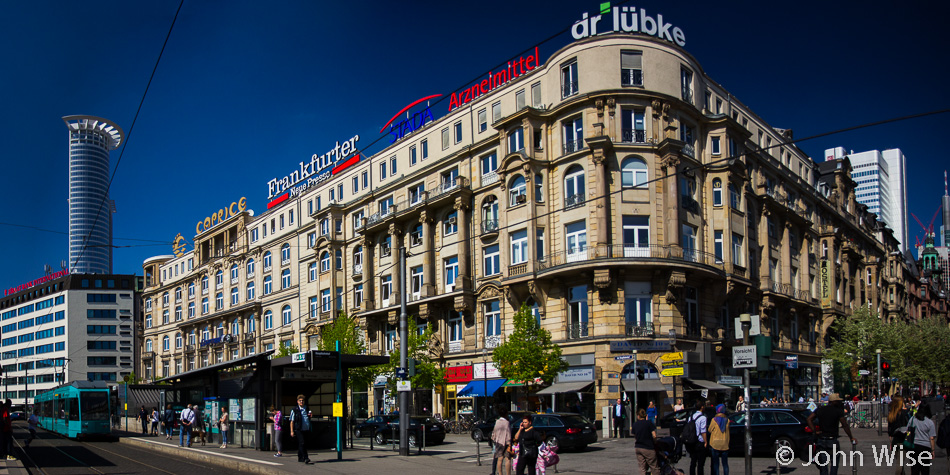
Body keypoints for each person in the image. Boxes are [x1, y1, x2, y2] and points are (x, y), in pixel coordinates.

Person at [806, 393, 856, 475]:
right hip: (832, 440)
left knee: (823, 465)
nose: (840, 403)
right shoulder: (838, 411)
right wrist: (851, 437)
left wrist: (814, 431)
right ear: (834, 402)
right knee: (834, 464)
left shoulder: (820, 409)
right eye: (838, 401)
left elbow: (809, 419)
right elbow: (845, 425)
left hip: (821, 439)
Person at [909, 404, 936, 475]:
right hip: (925, 447)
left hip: (913, 446)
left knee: (914, 470)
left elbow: (908, 430)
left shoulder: (912, 419)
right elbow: (932, 438)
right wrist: (933, 450)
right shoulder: (929, 422)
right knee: (925, 470)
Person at [633, 408, 660, 475]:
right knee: (654, 467)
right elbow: (654, 435)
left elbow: (635, 436)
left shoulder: (635, 424)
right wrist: (655, 442)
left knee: (642, 468)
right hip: (648, 447)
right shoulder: (649, 423)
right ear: (645, 415)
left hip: (638, 447)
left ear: (638, 416)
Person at [886, 396, 909, 475]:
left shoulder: (891, 415)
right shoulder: (904, 413)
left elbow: (890, 432)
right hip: (903, 441)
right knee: (900, 464)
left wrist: (891, 443)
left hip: (895, 441)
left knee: (900, 463)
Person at [686, 400, 708, 475]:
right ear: (702, 407)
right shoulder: (703, 418)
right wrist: (705, 442)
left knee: (693, 462)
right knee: (700, 463)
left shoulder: (691, 417)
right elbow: (703, 431)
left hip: (691, 441)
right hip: (699, 441)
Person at [289, 394, 312, 464]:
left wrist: (310, 416)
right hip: (299, 428)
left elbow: (308, 417)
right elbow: (291, 421)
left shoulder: (306, 408)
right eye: (300, 401)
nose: (301, 402)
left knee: (302, 443)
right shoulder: (294, 410)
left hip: (306, 428)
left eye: (302, 400)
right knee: (302, 442)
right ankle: (306, 457)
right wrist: (292, 431)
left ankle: (300, 457)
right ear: (297, 402)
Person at [707, 404, 730, 475]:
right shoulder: (727, 420)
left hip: (715, 444)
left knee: (716, 464)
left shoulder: (714, 420)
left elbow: (709, 430)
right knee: (725, 464)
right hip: (725, 444)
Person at [491, 405, 512, 475]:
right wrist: (509, 443)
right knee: (507, 459)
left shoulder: (497, 422)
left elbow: (494, 431)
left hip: (498, 442)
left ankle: (500, 473)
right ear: (506, 414)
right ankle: (508, 473)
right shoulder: (507, 422)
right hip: (505, 442)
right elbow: (508, 433)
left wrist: (493, 439)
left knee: (499, 459)